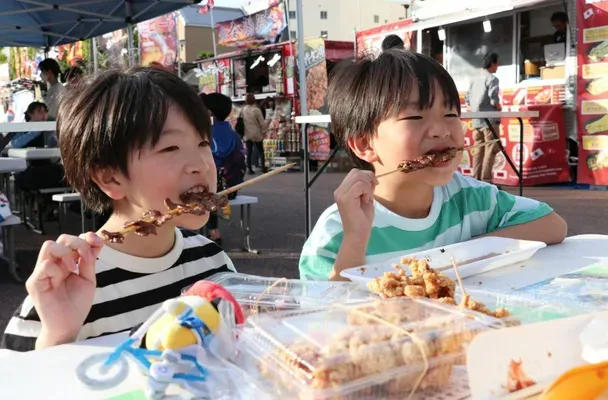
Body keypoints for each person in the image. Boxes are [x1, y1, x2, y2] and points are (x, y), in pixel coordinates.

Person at [0, 67, 236, 357]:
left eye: (202, 143)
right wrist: (59, 336)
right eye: (171, 147)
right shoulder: (62, 290)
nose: (201, 164)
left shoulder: (213, 263)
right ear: (110, 178)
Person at [298, 50, 567, 281]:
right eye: (415, 116)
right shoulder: (338, 232)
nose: (441, 130)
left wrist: (454, 258)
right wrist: (355, 240)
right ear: (365, 144)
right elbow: (321, 319)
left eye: (450, 114)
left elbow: (553, 225)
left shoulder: (471, 199)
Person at [201, 93, 245, 246]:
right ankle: (214, 231)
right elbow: (241, 162)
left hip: (211, 190)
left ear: (210, 112)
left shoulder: (204, 134)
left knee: (202, 190)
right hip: (232, 187)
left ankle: (213, 231)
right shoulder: (234, 135)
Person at [468, 52, 502, 184]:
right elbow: (494, 100)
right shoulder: (492, 79)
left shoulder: (474, 79)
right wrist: (499, 107)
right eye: (497, 64)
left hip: (476, 120)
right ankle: (486, 179)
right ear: (492, 64)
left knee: (479, 149)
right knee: (492, 148)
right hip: (490, 119)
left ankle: (476, 178)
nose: (497, 67)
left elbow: (467, 99)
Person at [242, 93, 267, 174]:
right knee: (260, 150)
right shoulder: (256, 110)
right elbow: (262, 123)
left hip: (247, 133)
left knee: (249, 151)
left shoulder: (243, 109)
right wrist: (264, 132)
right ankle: (263, 167)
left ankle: (249, 168)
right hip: (256, 133)